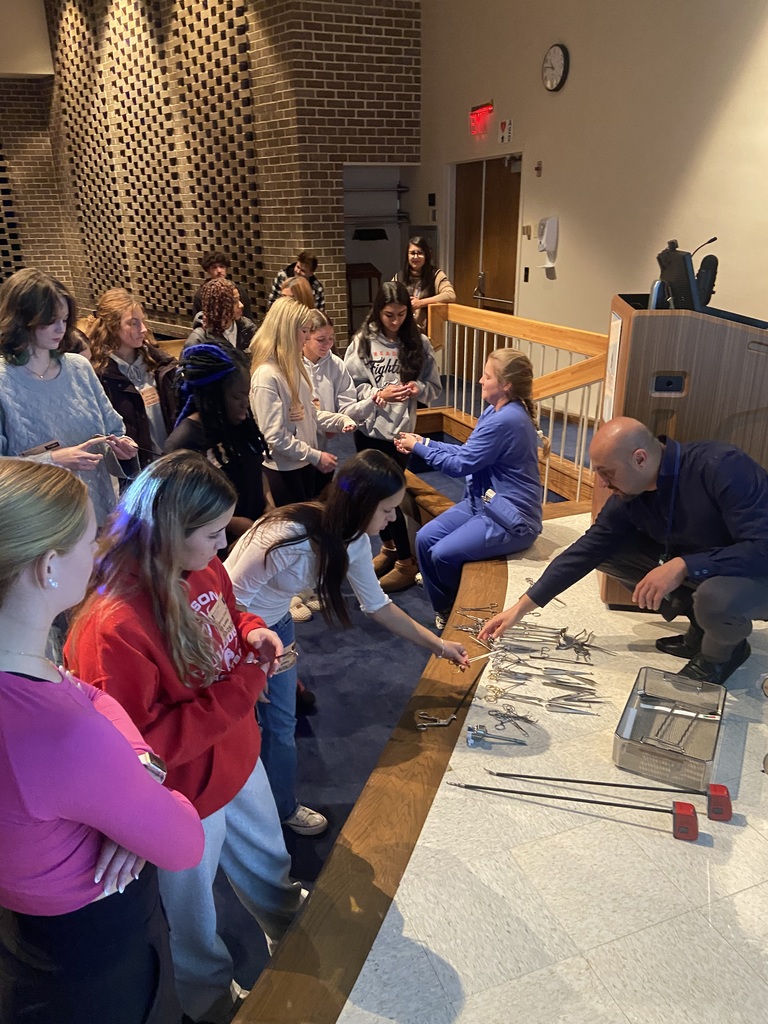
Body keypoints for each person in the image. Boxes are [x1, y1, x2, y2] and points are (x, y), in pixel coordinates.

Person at [65, 451, 304, 1024]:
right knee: (192, 917)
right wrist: (246, 685)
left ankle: (297, 943)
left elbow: (227, 609)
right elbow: (140, 748)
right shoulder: (113, 624)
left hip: (237, 757)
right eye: (215, 532)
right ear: (169, 532)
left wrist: (253, 633)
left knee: (271, 864)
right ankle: (211, 1002)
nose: (224, 546)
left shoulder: (197, 563)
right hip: (180, 798)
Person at [0, 458, 204, 1024]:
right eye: (89, 541)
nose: (96, 556)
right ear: (47, 567)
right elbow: (183, 840)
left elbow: (89, 694)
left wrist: (133, 771)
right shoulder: (57, 733)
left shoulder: (25, 672)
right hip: (92, 947)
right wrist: (145, 787)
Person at [224, 450, 470, 836]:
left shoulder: (353, 541)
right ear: (362, 504)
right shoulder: (286, 536)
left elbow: (379, 607)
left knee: (280, 723)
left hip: (277, 626)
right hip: (234, 634)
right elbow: (227, 600)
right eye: (388, 510)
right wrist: (246, 667)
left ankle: (281, 807)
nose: (392, 520)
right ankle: (246, 817)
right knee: (245, 725)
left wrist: (440, 646)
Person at [479, 417, 768, 686]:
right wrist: (520, 608)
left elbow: (761, 548)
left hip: (756, 571)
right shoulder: (632, 493)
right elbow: (588, 549)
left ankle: (722, 655)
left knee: (715, 598)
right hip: (711, 565)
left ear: (640, 459)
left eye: (607, 473)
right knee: (610, 551)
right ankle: (703, 627)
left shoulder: (721, 466)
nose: (602, 483)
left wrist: (683, 565)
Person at [396, 349, 544, 627]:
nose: (479, 380)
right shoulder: (495, 410)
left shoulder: (506, 419)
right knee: (425, 539)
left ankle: (456, 611)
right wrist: (425, 443)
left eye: (487, 376)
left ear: (506, 385)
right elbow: (468, 453)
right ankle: (446, 607)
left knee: (443, 554)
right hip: (484, 503)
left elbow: (460, 465)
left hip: (511, 518)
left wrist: (417, 447)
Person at [0, 268, 139, 526]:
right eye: (50, 320)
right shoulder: (4, 381)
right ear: (21, 319)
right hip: (40, 524)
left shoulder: (79, 367)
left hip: (97, 510)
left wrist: (122, 447)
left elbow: (113, 428)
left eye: (64, 320)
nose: (60, 329)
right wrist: (52, 460)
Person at [344, 281, 442, 592]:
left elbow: (434, 387)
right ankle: (388, 549)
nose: (396, 321)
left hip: (400, 433)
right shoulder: (363, 342)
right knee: (369, 495)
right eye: (389, 315)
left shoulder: (419, 342)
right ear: (378, 311)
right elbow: (350, 388)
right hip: (369, 429)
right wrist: (378, 393)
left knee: (389, 496)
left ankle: (405, 561)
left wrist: (418, 389)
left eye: (401, 314)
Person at [250, 297, 355, 507]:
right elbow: (275, 436)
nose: (307, 337)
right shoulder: (266, 375)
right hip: (284, 470)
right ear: (288, 330)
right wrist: (315, 455)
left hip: (302, 464)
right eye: (304, 331)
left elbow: (311, 415)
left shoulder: (293, 366)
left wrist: (339, 419)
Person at [165, 343, 270, 541]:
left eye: (247, 395)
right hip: (219, 545)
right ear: (214, 395)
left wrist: (268, 502)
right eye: (237, 396)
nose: (245, 404)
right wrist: (233, 523)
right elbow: (187, 508)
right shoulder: (184, 442)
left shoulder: (239, 425)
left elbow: (257, 466)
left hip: (254, 533)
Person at [83, 288, 178, 466]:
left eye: (142, 321)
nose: (143, 329)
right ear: (112, 326)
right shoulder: (97, 374)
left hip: (170, 464)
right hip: (135, 471)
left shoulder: (159, 364)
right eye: (133, 323)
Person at [394, 235, 456, 334]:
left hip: (427, 333)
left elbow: (450, 295)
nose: (416, 257)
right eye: (412, 253)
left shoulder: (436, 275)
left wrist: (421, 303)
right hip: (402, 332)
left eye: (420, 253)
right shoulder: (400, 277)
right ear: (407, 255)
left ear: (426, 255)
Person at [186, 277, 256, 353]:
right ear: (218, 306)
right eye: (235, 302)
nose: (241, 305)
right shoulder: (198, 340)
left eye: (239, 300)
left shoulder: (247, 329)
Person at [192, 250, 252, 320]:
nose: (219, 271)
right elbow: (198, 320)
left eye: (222, 266)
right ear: (208, 270)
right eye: (214, 267)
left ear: (226, 269)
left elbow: (248, 316)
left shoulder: (239, 290)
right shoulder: (201, 295)